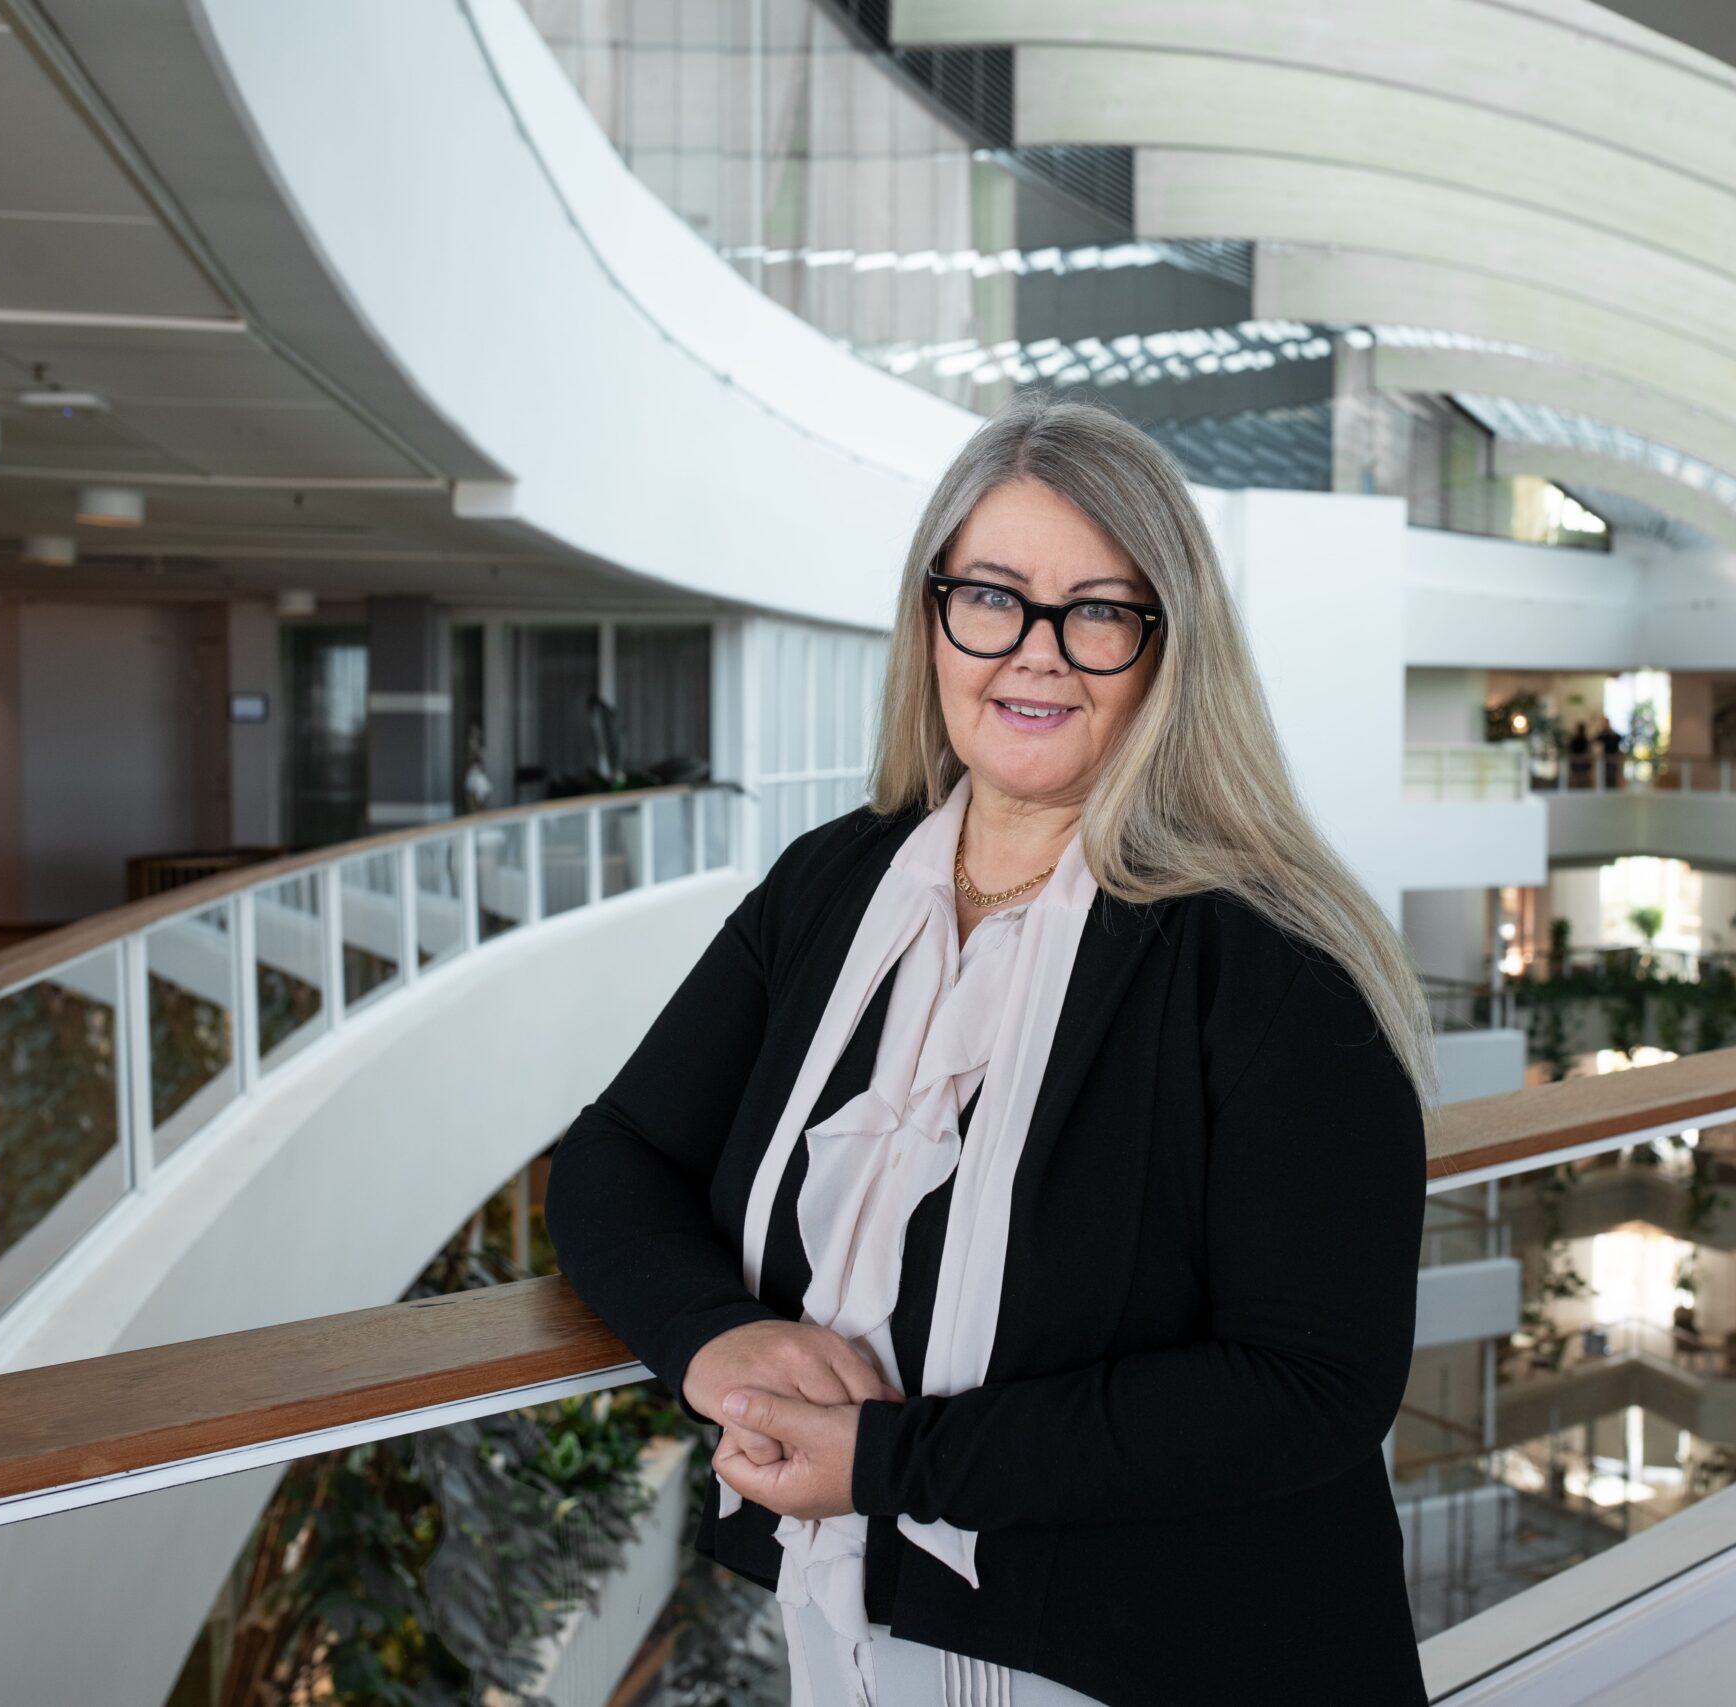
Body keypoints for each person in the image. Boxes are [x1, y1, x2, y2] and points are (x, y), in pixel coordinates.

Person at [544, 393, 1433, 1706]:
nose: (1036, 655)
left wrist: (887, 1464)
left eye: (1099, 612)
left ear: (1169, 649)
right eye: (992, 599)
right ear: (933, 617)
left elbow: (1311, 1386)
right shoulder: (829, 888)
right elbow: (612, 1157)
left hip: (1173, 1663)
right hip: (852, 1638)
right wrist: (709, 1339)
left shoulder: (1271, 964)